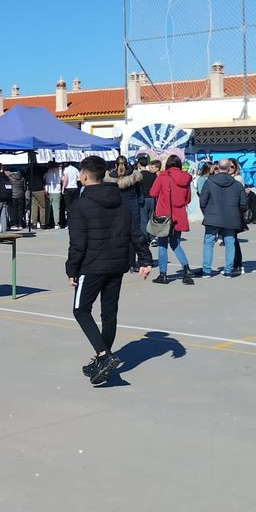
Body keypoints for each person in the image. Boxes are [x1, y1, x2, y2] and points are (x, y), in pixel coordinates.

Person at [65, 155, 152, 385]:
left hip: (92, 266)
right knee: (109, 312)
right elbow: (135, 232)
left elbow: (77, 244)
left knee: (81, 310)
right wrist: (145, 259)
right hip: (117, 264)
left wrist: (71, 270)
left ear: (84, 176)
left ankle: (104, 355)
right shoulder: (120, 201)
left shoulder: (80, 205)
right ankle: (101, 360)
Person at [199, 158, 247, 277]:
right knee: (230, 243)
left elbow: (203, 201)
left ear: (218, 167)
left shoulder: (209, 182)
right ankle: (228, 271)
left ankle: (206, 270)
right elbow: (243, 204)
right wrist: (236, 213)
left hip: (212, 217)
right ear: (229, 168)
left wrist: (207, 213)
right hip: (231, 217)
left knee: (208, 243)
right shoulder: (237, 184)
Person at [150, 156, 194, 284]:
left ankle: (163, 274)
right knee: (175, 243)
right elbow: (188, 199)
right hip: (179, 215)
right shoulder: (186, 178)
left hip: (164, 214)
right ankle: (186, 268)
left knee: (162, 244)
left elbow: (153, 193)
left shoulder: (163, 176)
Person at [61, 161, 80, 227]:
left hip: (68, 188)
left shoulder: (66, 169)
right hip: (75, 187)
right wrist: (74, 180)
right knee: (75, 205)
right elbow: (79, 178)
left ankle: (69, 222)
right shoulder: (75, 169)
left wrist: (63, 187)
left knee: (68, 206)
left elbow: (66, 178)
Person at [43, 163, 62, 229]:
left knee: (48, 208)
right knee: (56, 208)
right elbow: (62, 179)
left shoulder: (47, 172)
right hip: (56, 191)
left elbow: (44, 180)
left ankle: (47, 223)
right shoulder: (59, 172)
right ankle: (56, 223)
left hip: (48, 190)